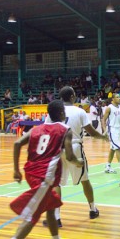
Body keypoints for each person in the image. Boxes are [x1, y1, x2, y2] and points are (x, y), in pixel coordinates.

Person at [10, 100, 84, 239]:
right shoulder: (64, 129)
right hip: (45, 177)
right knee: (33, 216)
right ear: (62, 113)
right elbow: (69, 156)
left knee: (51, 206)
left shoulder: (36, 128)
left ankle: (56, 237)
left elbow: (17, 143)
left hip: (31, 173)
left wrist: (16, 170)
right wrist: (78, 162)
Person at [43, 86, 108, 227]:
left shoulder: (53, 111)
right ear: (72, 96)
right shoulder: (79, 111)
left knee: (57, 183)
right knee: (85, 180)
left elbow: (46, 131)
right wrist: (103, 137)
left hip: (57, 148)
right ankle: (92, 209)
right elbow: (91, 131)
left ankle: (56, 217)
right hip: (74, 146)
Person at [101, 93, 120, 173]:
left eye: (119, 97)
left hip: (118, 129)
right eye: (117, 97)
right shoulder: (109, 108)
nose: (119, 98)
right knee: (117, 148)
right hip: (111, 130)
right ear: (113, 99)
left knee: (113, 149)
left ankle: (108, 166)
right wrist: (105, 131)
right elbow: (103, 120)